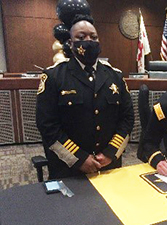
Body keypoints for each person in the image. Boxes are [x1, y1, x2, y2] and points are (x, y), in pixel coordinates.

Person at [36, 14, 134, 179]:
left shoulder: (115, 76)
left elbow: (127, 118)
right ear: (70, 43)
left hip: (109, 166)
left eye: (93, 37)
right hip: (69, 169)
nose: (88, 41)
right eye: (81, 37)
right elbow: (47, 125)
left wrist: (111, 152)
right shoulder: (54, 76)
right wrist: (79, 158)